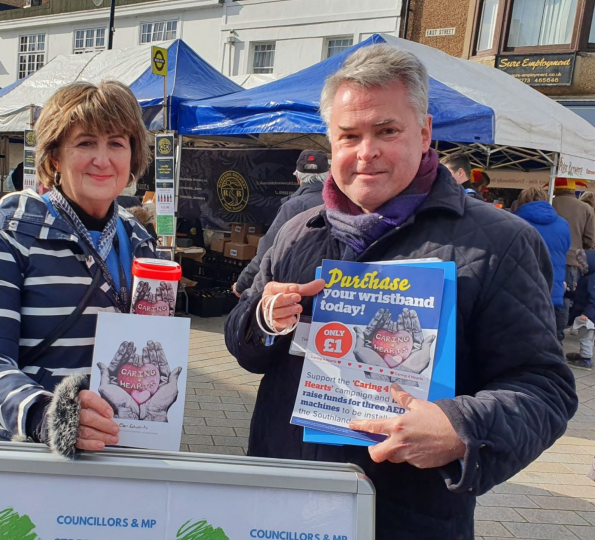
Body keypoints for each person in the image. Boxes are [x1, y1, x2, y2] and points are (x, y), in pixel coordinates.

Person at [224, 44, 577, 537]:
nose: (366, 152)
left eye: (386, 131)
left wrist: (461, 427)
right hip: (285, 501)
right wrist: (264, 319)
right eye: (349, 136)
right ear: (331, 143)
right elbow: (243, 343)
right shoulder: (297, 229)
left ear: (425, 132)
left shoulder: (500, 242)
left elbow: (546, 389)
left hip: (405, 517)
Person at [0, 80, 162, 464]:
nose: (102, 159)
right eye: (85, 143)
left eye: (117, 143)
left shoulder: (139, 241)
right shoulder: (10, 231)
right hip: (19, 457)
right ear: (54, 157)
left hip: (113, 456)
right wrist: (46, 415)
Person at [233, 149, 328, 296]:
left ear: (297, 177)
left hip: (294, 289)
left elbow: (268, 249)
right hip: (334, 290)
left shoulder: (294, 206)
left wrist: (242, 284)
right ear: (327, 177)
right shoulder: (342, 204)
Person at [514, 187, 571, 342]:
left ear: (521, 201)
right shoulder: (563, 224)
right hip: (554, 291)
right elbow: (565, 250)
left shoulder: (513, 222)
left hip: (522, 292)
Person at [552, 177, 595, 324]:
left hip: (547, 257)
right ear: (573, 189)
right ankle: (559, 334)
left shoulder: (549, 205)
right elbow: (589, 240)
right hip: (573, 259)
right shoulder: (586, 209)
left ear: (555, 189)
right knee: (565, 298)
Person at [567, 248, 595, 370]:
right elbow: (580, 295)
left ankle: (586, 359)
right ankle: (583, 355)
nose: (579, 265)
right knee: (585, 336)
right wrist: (568, 292)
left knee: (586, 337)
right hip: (586, 313)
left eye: (581, 263)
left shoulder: (591, 279)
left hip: (588, 316)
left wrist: (587, 314)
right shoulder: (587, 277)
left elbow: (593, 299)